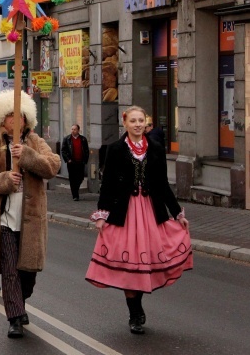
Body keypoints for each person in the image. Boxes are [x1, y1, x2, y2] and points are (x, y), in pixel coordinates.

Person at [85, 105, 192, 335]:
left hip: (150, 212)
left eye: (140, 120)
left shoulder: (155, 147)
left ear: (146, 122)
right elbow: (108, 185)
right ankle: (134, 313)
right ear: (125, 123)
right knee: (129, 263)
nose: (137, 124)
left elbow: (163, 184)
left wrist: (177, 213)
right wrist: (102, 214)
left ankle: (138, 305)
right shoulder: (114, 149)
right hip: (125, 212)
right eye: (132, 121)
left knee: (146, 261)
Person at [0, 90, 61, 339]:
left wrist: (28, 157)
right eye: (10, 116)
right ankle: (14, 318)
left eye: (19, 115)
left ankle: (20, 302)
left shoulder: (35, 142)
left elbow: (53, 166)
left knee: (27, 273)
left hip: (30, 221)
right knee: (9, 271)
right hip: (3, 220)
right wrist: (2, 180)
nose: (15, 120)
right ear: (1, 121)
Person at [61, 124, 89, 201]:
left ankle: (75, 189)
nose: (73, 131)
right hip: (71, 162)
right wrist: (68, 159)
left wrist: (85, 160)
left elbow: (86, 150)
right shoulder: (67, 139)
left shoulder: (83, 139)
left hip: (80, 162)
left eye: (75, 129)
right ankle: (75, 195)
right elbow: (63, 150)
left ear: (78, 130)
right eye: (72, 129)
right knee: (72, 178)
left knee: (81, 177)